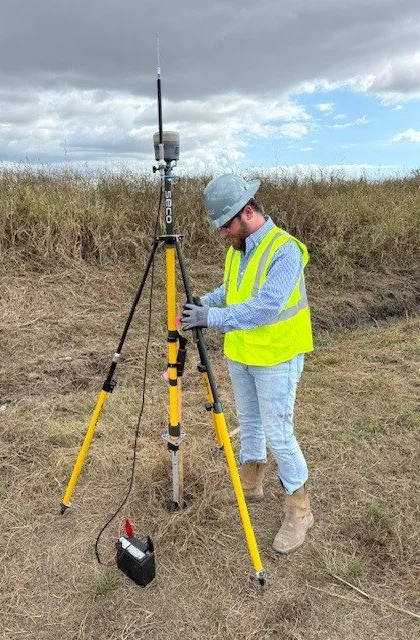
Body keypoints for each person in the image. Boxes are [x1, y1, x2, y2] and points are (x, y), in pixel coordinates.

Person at [181, 174, 314, 554]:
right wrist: (203, 303)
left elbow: (267, 305)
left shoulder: (285, 250)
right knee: (250, 423)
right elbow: (232, 291)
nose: (222, 233)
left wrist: (212, 318)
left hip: (276, 356)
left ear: (248, 212)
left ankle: (300, 509)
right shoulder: (238, 249)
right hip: (241, 353)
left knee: (278, 433)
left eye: (225, 225)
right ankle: (251, 483)